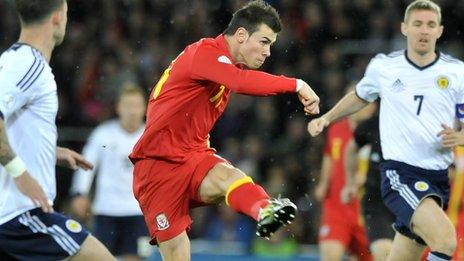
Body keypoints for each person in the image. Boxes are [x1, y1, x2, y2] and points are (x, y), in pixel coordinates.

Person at [129, 0, 320, 260]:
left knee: (228, 176)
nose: (268, 52)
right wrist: (296, 84)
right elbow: (240, 83)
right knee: (176, 255)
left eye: (271, 45)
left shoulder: (227, 66)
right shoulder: (205, 52)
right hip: (157, 165)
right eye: (264, 42)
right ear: (241, 35)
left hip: (193, 154)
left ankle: (265, 210)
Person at [308, 1, 462, 260]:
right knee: (446, 241)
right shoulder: (385, 67)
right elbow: (360, 96)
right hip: (400, 174)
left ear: (440, 30)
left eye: (430, 25)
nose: (424, 31)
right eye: (418, 24)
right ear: (404, 28)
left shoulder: (457, 73)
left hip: (438, 178)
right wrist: (328, 117)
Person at [0, 1, 114, 260]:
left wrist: (48, 151)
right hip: (20, 218)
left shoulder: (14, 59)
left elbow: (11, 128)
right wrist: (21, 174)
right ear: (58, 16)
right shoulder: (29, 64)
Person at [70, 84, 148, 261]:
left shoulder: (151, 136)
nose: (132, 111)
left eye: (136, 105)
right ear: (119, 108)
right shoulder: (103, 134)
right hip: (106, 209)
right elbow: (87, 164)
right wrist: (79, 193)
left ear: (144, 108)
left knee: (134, 257)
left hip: (139, 211)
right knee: (100, 257)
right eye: (128, 105)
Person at [314, 92, 373, 261]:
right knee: (330, 255)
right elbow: (329, 155)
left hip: (366, 209)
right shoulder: (336, 128)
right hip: (336, 205)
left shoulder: (376, 132)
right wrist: (323, 183)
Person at [342, 107, 396, 261]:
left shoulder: (417, 126)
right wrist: (350, 183)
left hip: (408, 204)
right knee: (384, 254)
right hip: (376, 203)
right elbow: (351, 149)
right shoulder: (373, 124)